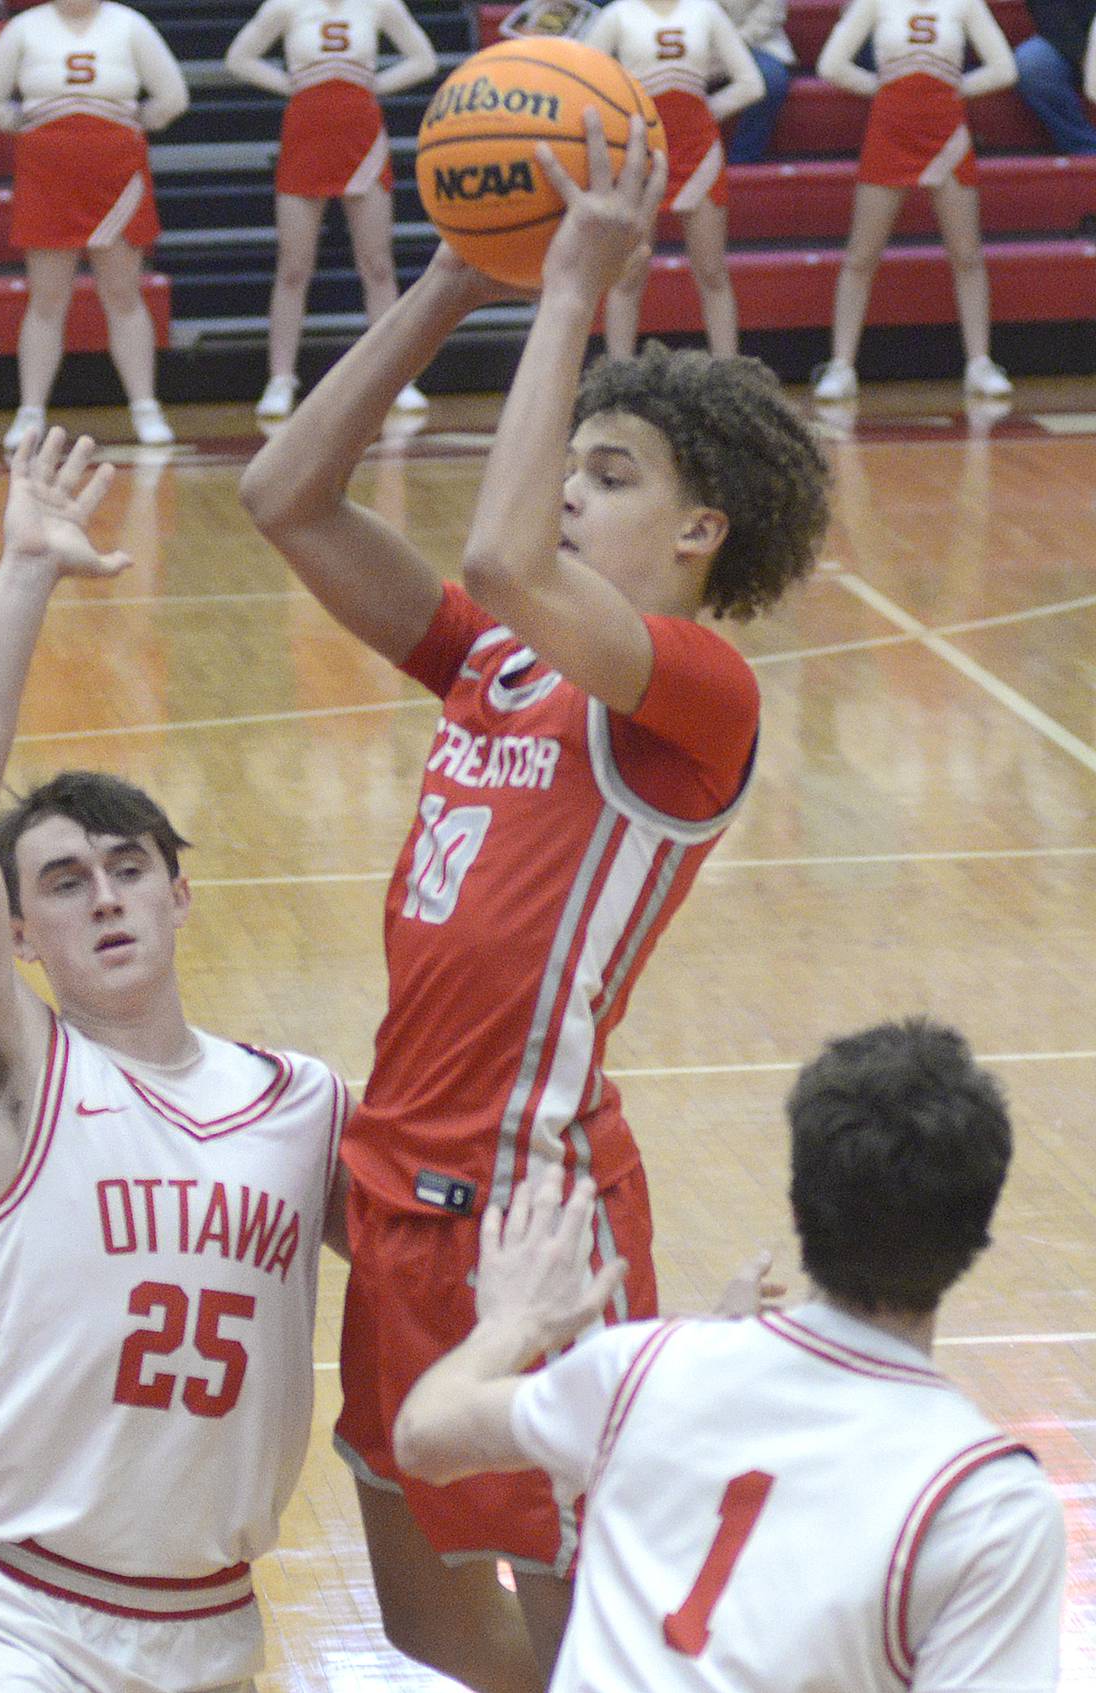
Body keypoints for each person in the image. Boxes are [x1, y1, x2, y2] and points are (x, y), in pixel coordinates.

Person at [240, 113, 831, 1693]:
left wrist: (570, 291)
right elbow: (286, 497)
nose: (568, 488)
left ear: (701, 533)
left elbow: (503, 555)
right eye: (568, 462)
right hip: (398, 1178)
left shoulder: (694, 694)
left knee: (591, 1619)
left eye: (611, 473)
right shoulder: (498, 665)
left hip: (522, 1208)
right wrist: (451, 275)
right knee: (430, 1615)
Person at [0, 425, 349, 1691]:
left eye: (128, 866)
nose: (102, 895)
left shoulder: (304, 1103)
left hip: (210, 1624)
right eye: (62, 880)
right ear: (19, 934)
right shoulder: (16, 1081)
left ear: (178, 895)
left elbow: (445, 1252)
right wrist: (27, 570)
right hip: (12, 1612)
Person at [394, 1017, 1067, 1693]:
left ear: (800, 1205)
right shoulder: (991, 1504)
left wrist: (510, 1325)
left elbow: (425, 1435)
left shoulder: (647, 1369)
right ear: (979, 1232)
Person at [0, 0, 189, 452]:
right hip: (47, 175)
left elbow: (172, 97)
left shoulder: (130, 24)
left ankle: (145, 407)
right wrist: (33, 129)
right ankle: (30, 412)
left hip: (116, 173)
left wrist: (126, 125)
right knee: (47, 297)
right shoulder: (23, 29)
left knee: (123, 293)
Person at [223, 0, 438, 420]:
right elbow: (239, 58)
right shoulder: (283, 5)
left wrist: (372, 84)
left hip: (362, 133)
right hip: (305, 131)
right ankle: (280, 379)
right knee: (293, 267)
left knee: (377, 265)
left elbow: (423, 60)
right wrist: (292, 84)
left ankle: (396, 379)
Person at [812, 0, 1018, 402]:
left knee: (967, 254)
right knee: (861, 253)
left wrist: (957, 89)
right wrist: (880, 88)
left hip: (947, 132)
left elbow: (1004, 69)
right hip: (890, 130)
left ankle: (980, 363)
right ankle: (840, 367)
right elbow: (830, 65)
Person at [586, 0, 765, 358]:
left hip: (697, 152)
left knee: (712, 273)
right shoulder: (616, 15)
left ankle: (726, 378)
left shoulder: (706, 11)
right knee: (628, 276)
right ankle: (621, 379)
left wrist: (708, 110)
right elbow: (583, 85)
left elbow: (751, 83)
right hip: (640, 154)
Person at [714, 0, 796, 162]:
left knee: (772, 79)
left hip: (758, 42)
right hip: (698, 42)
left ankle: (743, 160)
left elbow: (768, 16)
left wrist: (729, 48)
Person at [1014, 0, 1096, 152]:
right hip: (1072, 42)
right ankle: (1086, 152)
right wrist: (1083, 55)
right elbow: (1050, 13)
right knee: (1032, 62)